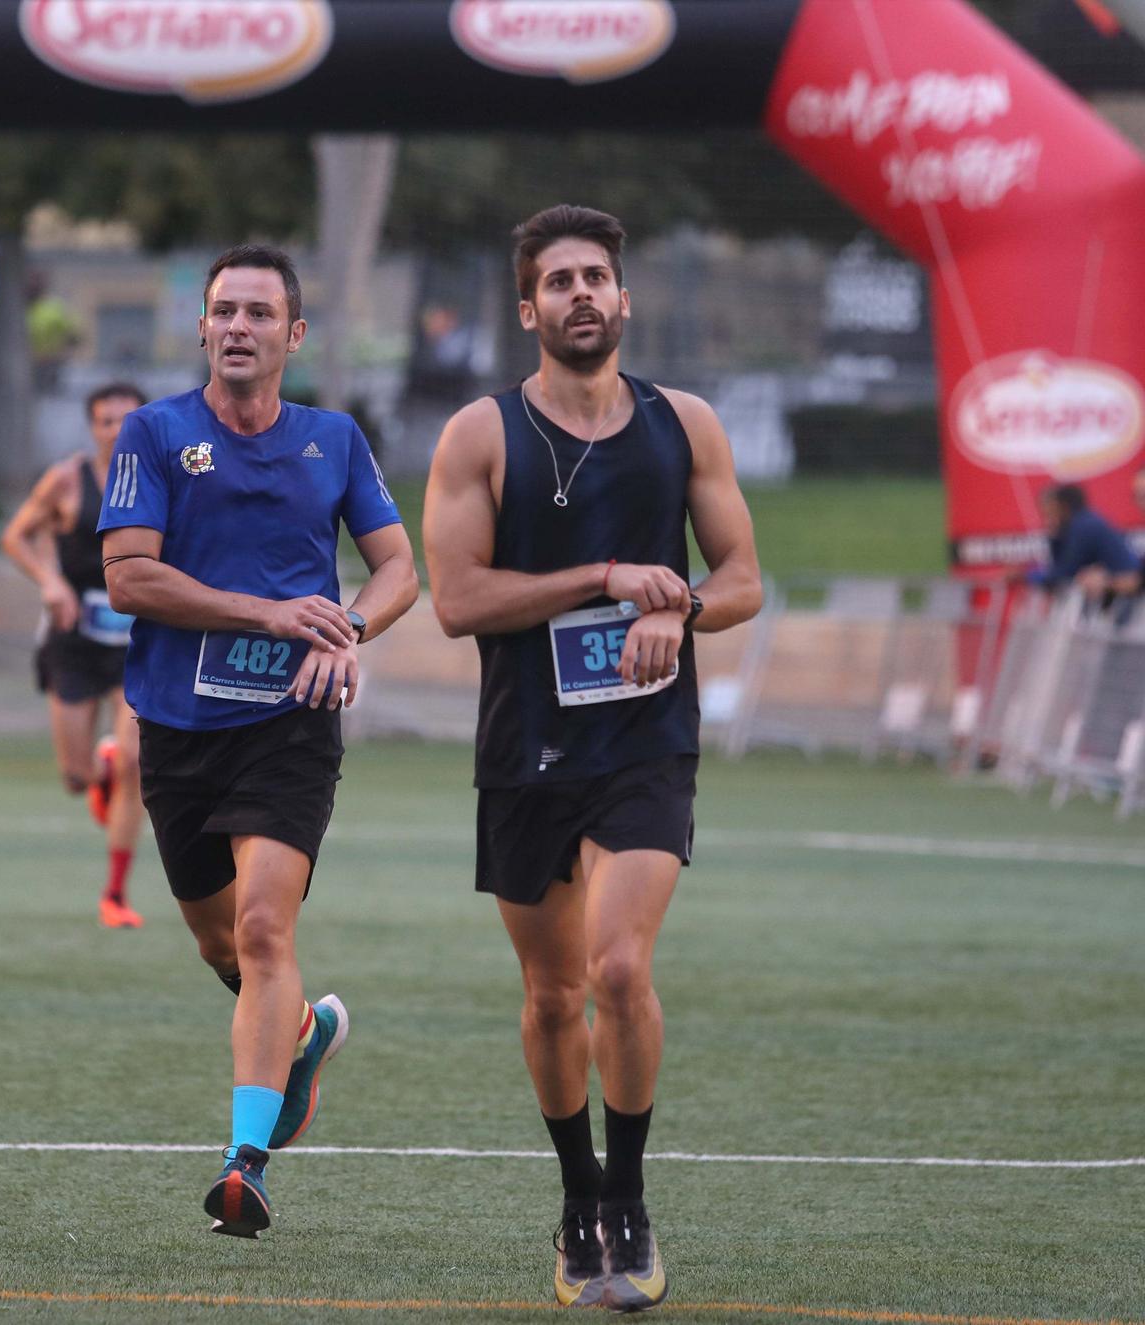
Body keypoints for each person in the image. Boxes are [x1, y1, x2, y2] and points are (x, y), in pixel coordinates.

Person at [421, 205, 762, 1312]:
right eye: (557, 280)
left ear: (622, 301)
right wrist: (607, 577)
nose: (580, 294)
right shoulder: (479, 433)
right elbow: (459, 602)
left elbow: (743, 577)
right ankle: (576, 1201)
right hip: (523, 745)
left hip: (644, 742)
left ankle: (628, 1195)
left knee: (618, 968)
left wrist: (685, 608)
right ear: (527, 309)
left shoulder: (684, 425)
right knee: (553, 990)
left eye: (596, 277)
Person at [99, 244, 418, 1238]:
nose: (238, 327)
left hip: (289, 727)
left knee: (263, 930)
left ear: (294, 334)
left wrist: (348, 630)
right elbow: (128, 578)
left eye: (258, 313)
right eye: (223, 311)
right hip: (177, 730)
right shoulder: (151, 433)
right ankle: (305, 1033)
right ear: (201, 328)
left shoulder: (334, 439)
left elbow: (399, 565)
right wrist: (266, 614)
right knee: (215, 938)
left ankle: (245, 1163)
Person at [0, 382, 149, 929]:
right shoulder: (66, 479)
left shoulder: (165, 479)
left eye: (127, 419)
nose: (116, 429)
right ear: (92, 427)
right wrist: (50, 581)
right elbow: (16, 536)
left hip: (139, 642)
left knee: (137, 764)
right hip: (75, 639)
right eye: (106, 420)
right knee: (73, 777)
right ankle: (97, 773)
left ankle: (115, 894)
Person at [1027, 483, 1140, 603]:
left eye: (1050, 510)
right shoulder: (1081, 522)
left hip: (1126, 597)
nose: (1046, 516)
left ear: (1063, 506)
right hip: (1115, 595)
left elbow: (1064, 573)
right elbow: (1059, 566)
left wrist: (1027, 576)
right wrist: (1055, 535)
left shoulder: (1084, 526)